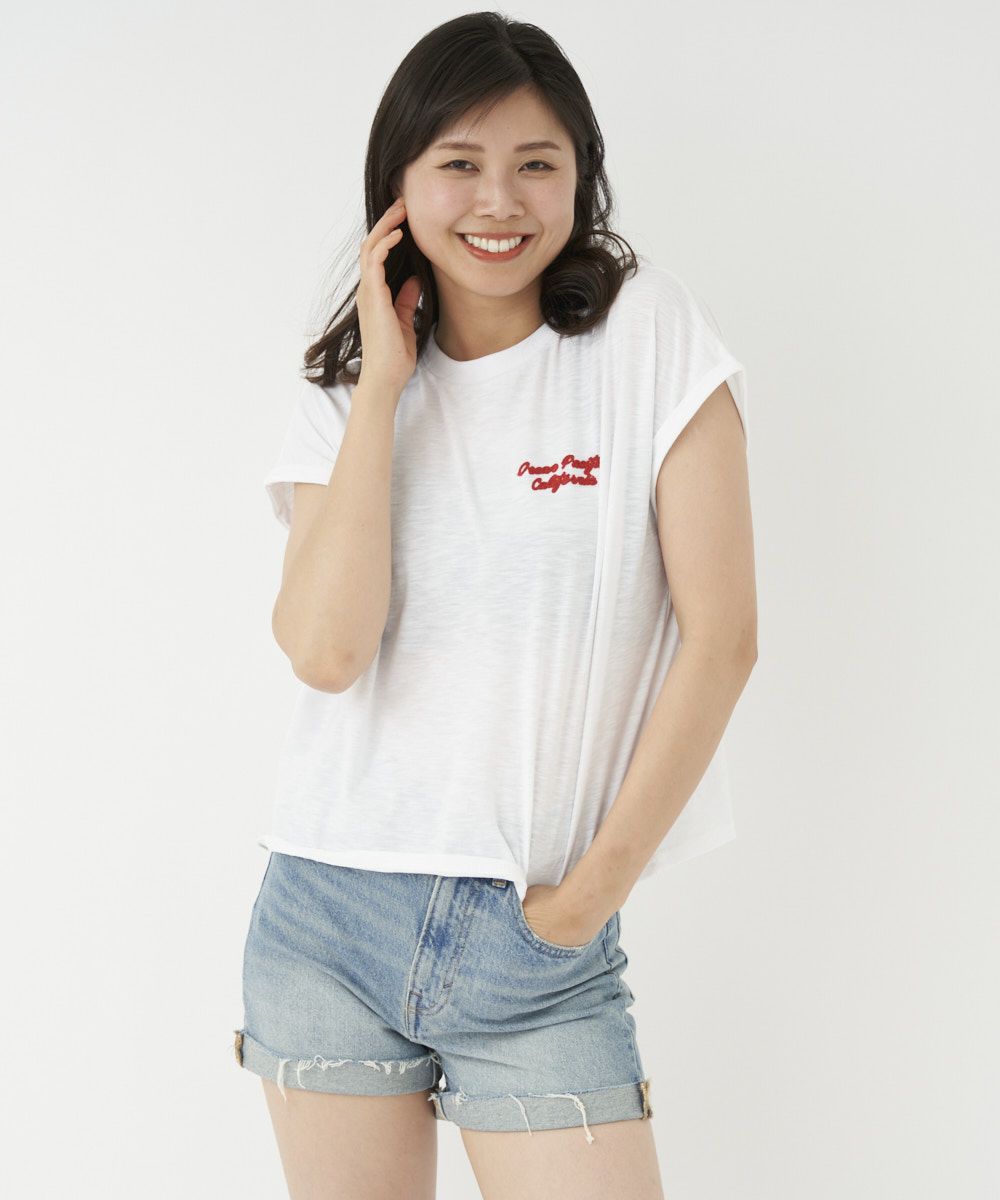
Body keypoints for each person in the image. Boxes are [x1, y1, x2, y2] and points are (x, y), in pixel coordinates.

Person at [235, 13, 757, 1199]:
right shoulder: (343, 395)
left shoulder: (647, 338)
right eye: (459, 163)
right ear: (398, 186)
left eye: (536, 164)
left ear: (582, 179)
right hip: (324, 918)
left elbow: (724, 638)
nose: (499, 201)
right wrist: (384, 388)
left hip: (539, 938)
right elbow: (325, 652)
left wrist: (587, 898)